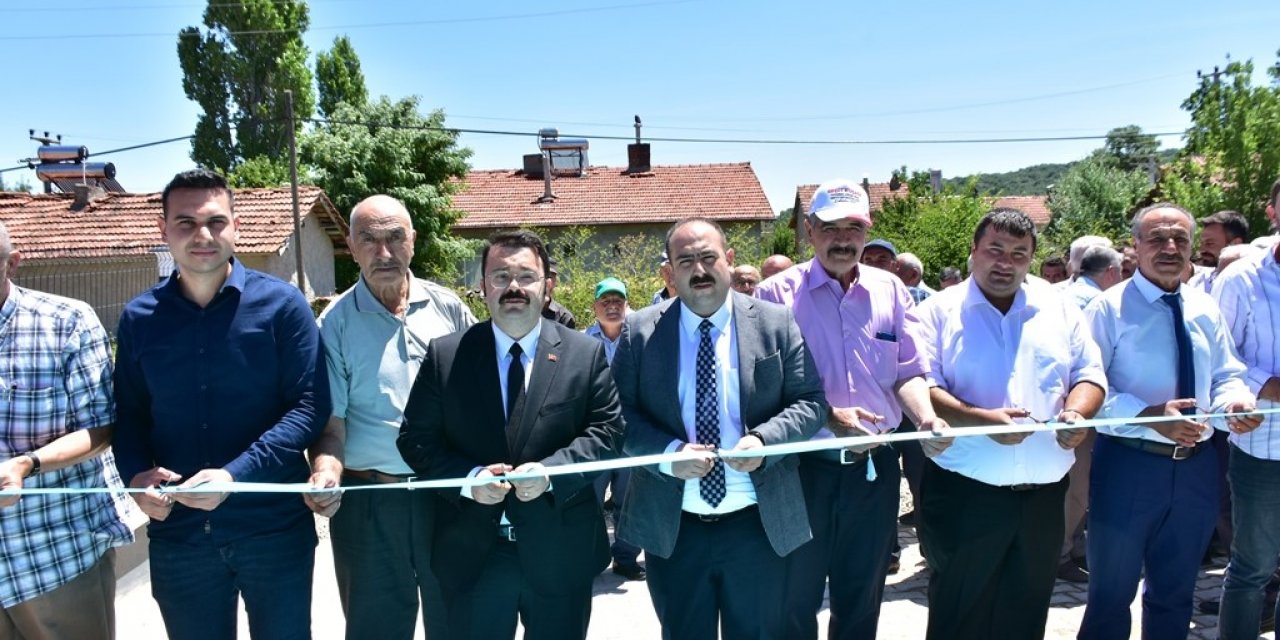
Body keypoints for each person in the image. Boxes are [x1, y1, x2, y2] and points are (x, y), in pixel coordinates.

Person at [113, 168, 330, 640]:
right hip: (180, 536)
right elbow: (129, 416)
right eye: (186, 223)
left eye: (215, 221)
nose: (202, 235)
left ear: (237, 226)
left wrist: (235, 475)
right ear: (164, 230)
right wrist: (135, 477)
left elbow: (309, 406)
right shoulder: (139, 319)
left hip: (272, 532)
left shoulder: (283, 306)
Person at [397, 230, 623, 640]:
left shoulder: (583, 354)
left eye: (526, 276)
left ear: (547, 286)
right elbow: (415, 440)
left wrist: (553, 473)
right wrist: (469, 481)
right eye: (500, 276)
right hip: (474, 555)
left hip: (561, 553)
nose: (513, 287)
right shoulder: (446, 355)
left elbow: (608, 432)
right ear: (482, 287)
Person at [613, 217, 827, 640]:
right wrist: (668, 453)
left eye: (709, 257)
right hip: (673, 528)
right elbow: (617, 417)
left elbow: (811, 402)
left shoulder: (775, 323)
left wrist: (765, 440)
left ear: (729, 260)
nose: (699, 270)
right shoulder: (639, 332)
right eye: (685, 261)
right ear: (668, 274)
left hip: (758, 524)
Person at [755, 180, 950, 640]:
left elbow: (909, 371)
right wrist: (827, 416)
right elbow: (763, 392)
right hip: (801, 469)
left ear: (868, 229)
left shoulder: (892, 291)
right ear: (809, 229)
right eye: (829, 227)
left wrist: (925, 417)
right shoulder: (773, 296)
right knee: (793, 598)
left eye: (853, 227)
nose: (842, 239)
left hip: (874, 471)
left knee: (862, 596)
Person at [915, 208, 1106, 640]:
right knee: (958, 616)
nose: (1005, 263)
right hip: (965, 495)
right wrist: (981, 422)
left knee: (1026, 613)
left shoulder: (1059, 306)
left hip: (1043, 499)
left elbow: (1090, 375)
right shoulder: (939, 311)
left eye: (1019, 254)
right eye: (994, 250)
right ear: (973, 253)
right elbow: (923, 386)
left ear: (1032, 258)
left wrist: (1078, 411)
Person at [1078, 202, 1261, 640]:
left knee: (1175, 592)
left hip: (1198, 468)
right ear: (1135, 247)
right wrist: (1147, 417)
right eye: (1157, 238)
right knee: (1110, 594)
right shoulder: (1108, 309)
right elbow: (1087, 388)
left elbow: (1226, 373)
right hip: (1129, 464)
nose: (1170, 247)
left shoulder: (1204, 306)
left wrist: (1236, 402)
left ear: (1193, 247)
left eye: (1180, 238)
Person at [305, 195, 475, 640]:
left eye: (395, 237)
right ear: (351, 246)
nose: (384, 252)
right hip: (368, 501)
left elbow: (482, 401)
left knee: (462, 620)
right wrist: (325, 474)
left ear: (413, 242)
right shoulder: (335, 323)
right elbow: (331, 424)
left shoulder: (449, 309)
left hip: (446, 496)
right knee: (374, 629)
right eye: (370, 240)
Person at [0, 221, 135, 640]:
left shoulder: (66, 322)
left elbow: (102, 427)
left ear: (13, 263)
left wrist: (26, 465)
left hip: (53, 553)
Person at [1212, 182, 1280, 639]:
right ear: (1273, 210)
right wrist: (1269, 386)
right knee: (1252, 568)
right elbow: (1221, 357)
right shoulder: (1242, 277)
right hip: (1263, 448)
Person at [1056, 244, 1124, 584]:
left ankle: (1073, 547)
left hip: (1069, 407)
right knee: (1076, 487)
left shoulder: (1062, 293)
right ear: (1111, 272)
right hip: (1082, 409)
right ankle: (1063, 554)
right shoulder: (1097, 303)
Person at [584, 277, 645, 581]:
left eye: (617, 301)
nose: (612, 307)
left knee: (630, 500)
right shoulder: (583, 340)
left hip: (632, 434)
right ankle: (591, 557)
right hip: (595, 434)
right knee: (590, 501)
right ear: (594, 306)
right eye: (605, 302)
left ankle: (625, 557)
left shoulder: (641, 336)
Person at [1189, 209, 1248, 293]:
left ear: (1235, 244)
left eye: (1209, 243)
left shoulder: (1251, 283)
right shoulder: (1197, 282)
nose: (1202, 250)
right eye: (1201, 243)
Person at [541, 258, 577, 328]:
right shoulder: (519, 311)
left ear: (555, 282)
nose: (546, 281)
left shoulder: (564, 317)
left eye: (549, 277)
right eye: (543, 276)